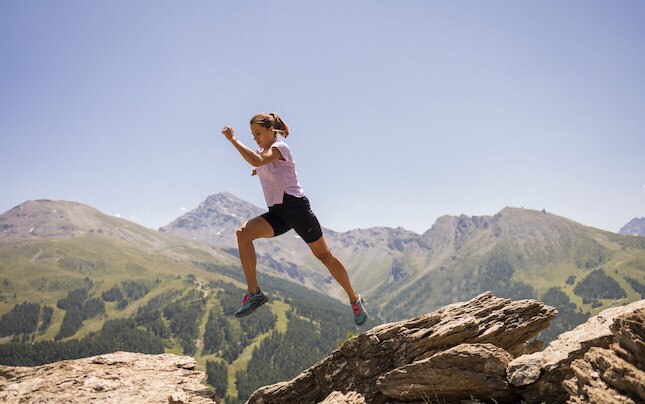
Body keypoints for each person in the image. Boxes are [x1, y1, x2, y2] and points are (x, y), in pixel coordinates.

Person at [220, 112, 368, 325]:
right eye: (253, 134)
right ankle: (255, 294)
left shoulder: (280, 149)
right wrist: (259, 170)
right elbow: (261, 163)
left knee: (325, 257)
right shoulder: (263, 153)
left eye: (258, 133)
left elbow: (258, 159)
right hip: (277, 214)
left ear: (271, 130)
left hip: (297, 210)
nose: (255, 138)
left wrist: (234, 140)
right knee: (243, 233)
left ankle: (354, 299)